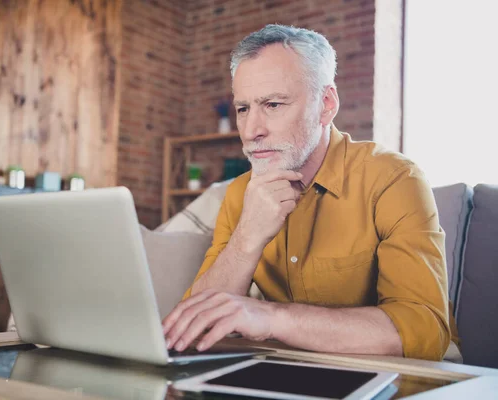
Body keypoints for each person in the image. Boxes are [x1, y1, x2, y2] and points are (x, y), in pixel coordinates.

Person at [162, 24, 458, 361]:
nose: (252, 131)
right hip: (294, 370)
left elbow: (424, 331)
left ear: (326, 104)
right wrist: (246, 239)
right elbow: (194, 327)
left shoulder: (394, 178)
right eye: (243, 108)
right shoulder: (242, 192)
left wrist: (271, 317)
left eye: (273, 104)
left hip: (402, 374)